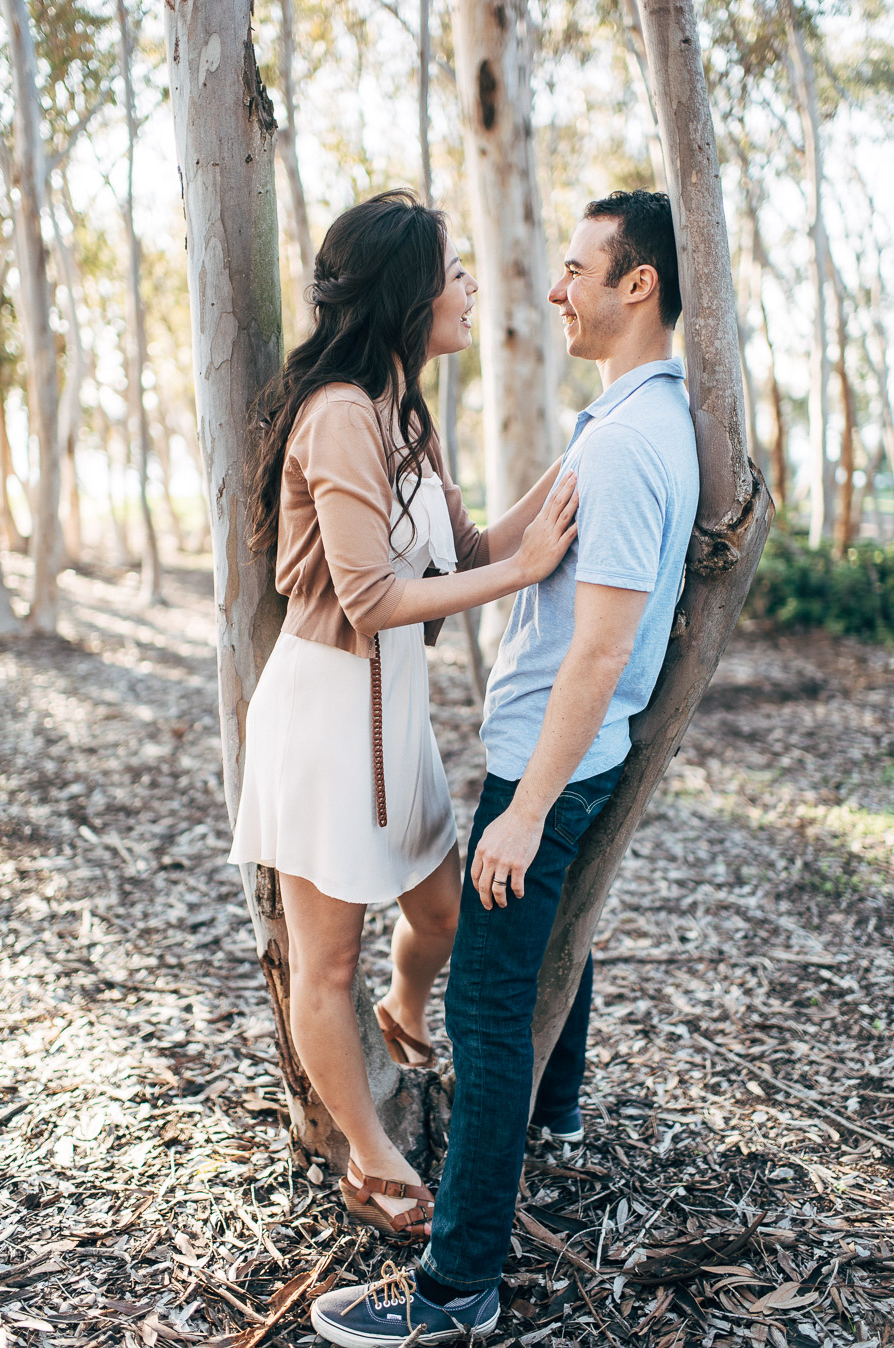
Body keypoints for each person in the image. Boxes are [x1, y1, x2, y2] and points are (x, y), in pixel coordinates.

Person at [311, 189, 700, 1344]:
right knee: (541, 945)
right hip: (551, 750)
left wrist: (524, 811)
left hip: (548, 760)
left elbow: (604, 645)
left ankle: (453, 1289)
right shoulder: (628, 421)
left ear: (641, 286)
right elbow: (513, 561)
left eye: (579, 268)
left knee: (483, 1007)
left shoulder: (630, 441)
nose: (554, 286)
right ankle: (563, 1113)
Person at [228, 190, 578, 1243]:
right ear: (406, 291)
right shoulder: (339, 413)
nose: (468, 288)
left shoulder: (400, 409)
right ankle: (368, 1158)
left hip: (397, 720)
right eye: (454, 272)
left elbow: (468, 554)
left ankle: (407, 1010)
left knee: (440, 918)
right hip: (332, 718)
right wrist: (524, 572)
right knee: (323, 963)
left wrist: (576, 467)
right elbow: (374, 593)